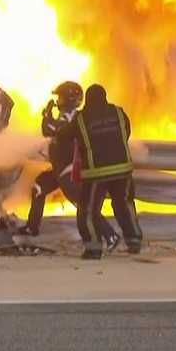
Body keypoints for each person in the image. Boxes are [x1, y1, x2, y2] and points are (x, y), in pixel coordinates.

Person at [17, 81, 118, 242]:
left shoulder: (77, 118)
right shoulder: (66, 117)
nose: (58, 102)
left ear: (70, 99)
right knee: (38, 188)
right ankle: (32, 227)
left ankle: (110, 234)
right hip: (59, 169)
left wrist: (46, 116)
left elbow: (50, 129)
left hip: (70, 171)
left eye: (61, 98)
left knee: (83, 206)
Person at [56, 83, 142, 259]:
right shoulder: (118, 112)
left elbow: (64, 135)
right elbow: (126, 131)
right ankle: (134, 241)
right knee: (124, 204)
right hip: (122, 169)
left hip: (97, 172)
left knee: (88, 210)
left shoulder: (82, 118)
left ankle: (93, 248)